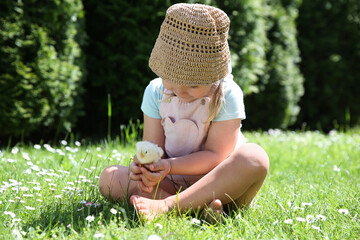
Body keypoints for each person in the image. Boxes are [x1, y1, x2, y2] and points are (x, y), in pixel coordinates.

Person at [99, 3, 269, 221]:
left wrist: (169, 165)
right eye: (171, 80)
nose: (180, 91)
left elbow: (216, 157)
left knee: (255, 158)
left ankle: (170, 207)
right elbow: (153, 149)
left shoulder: (227, 95)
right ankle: (195, 210)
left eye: (193, 85)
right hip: (172, 181)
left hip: (219, 182)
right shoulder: (155, 91)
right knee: (110, 178)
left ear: (213, 77)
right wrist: (144, 168)